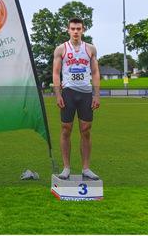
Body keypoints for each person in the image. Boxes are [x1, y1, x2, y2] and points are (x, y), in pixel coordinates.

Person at [52, 17, 101, 180]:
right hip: (69, 93)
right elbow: (56, 73)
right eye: (73, 28)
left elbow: (95, 73)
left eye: (78, 28)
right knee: (66, 129)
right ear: (68, 30)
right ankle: (66, 168)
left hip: (86, 93)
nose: (75, 31)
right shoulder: (61, 49)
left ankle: (86, 168)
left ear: (83, 30)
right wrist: (58, 94)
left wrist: (96, 94)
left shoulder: (90, 49)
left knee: (86, 130)